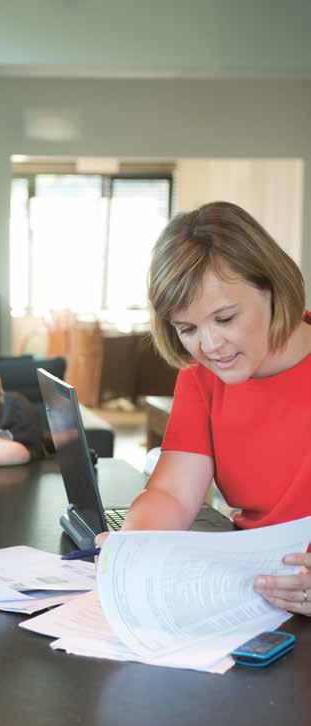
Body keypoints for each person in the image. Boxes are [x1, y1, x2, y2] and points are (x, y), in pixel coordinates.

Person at [97, 201, 311, 616]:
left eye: (225, 318)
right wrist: (132, 545)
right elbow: (171, 494)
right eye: (188, 329)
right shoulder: (201, 380)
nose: (209, 346)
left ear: (273, 289)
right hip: (257, 597)